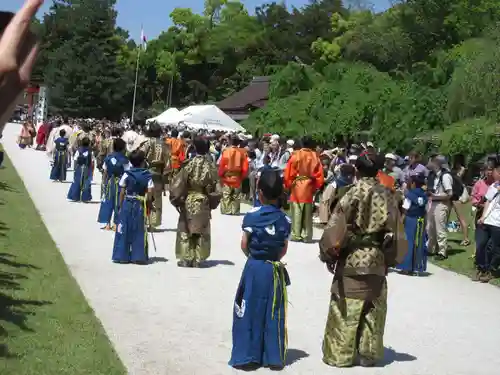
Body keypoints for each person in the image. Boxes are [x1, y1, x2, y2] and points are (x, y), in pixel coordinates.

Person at [319, 152, 407, 368]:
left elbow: (336, 226)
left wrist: (328, 253)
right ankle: (369, 354)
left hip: (352, 258)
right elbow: (397, 232)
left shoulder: (352, 193)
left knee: (345, 306)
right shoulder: (388, 194)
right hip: (376, 258)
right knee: (372, 305)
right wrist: (391, 258)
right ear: (378, 170)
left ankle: (340, 355)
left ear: (357, 170)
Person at [229, 169, 291, 370]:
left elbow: (244, 243)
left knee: (249, 308)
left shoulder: (252, 216)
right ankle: (272, 355)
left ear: (259, 192)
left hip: (255, 267)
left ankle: (248, 354)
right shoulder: (285, 220)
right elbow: (283, 249)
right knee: (273, 310)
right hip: (273, 269)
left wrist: (253, 257)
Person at [169, 138, 220, 268]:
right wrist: (212, 202)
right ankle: (198, 259)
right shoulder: (211, 166)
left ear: (194, 147)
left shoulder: (188, 164)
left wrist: (177, 200)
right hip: (203, 199)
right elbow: (216, 187)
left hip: (189, 200)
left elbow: (178, 184)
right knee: (201, 230)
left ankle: (186, 258)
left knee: (185, 229)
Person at [112, 150, 153, 264]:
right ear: (143, 162)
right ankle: (138, 256)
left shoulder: (127, 174)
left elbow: (121, 191)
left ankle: (122, 255)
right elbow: (149, 194)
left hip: (128, 202)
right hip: (140, 204)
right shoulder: (147, 175)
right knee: (139, 229)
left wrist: (120, 206)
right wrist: (149, 206)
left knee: (124, 228)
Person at [284, 136, 324, 242]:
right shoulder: (315, 157)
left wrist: (288, 184)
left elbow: (289, 172)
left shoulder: (295, 155)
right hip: (309, 184)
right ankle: (307, 235)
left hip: (297, 184)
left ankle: (296, 234)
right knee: (307, 210)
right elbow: (319, 174)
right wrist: (316, 186)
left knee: (296, 208)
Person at [137, 122, 171, 230]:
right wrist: (165, 177)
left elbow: (139, 156)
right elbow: (168, 164)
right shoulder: (164, 145)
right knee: (156, 199)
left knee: (144, 196)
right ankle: (153, 223)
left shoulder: (147, 143)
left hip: (146, 172)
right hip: (158, 174)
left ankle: (143, 220)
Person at [397, 173, 428, 275]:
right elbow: (426, 210)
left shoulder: (409, 194)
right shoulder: (424, 195)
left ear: (413, 183)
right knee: (418, 243)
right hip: (421, 220)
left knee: (408, 243)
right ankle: (417, 267)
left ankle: (406, 267)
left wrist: (400, 221)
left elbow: (405, 209)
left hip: (411, 220)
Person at [97, 138, 129, 231]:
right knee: (119, 202)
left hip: (110, 181)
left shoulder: (108, 157)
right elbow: (127, 172)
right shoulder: (125, 159)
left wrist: (104, 183)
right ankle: (116, 223)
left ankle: (107, 223)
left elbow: (105, 171)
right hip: (120, 182)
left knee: (108, 201)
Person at [426, 155, 453, 260]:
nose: (428, 163)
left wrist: (435, 196)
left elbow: (449, 194)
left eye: (430, 161)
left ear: (436, 163)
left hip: (442, 204)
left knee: (440, 229)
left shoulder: (445, 176)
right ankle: (430, 249)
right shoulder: (433, 175)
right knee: (430, 228)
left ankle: (442, 251)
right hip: (433, 203)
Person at [472, 162, 494, 282]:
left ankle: (488, 269)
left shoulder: (496, 185)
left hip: (494, 218)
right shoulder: (479, 184)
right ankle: (480, 267)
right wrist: (479, 204)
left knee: (491, 245)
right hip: (481, 215)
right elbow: (474, 199)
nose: (489, 172)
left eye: (491, 170)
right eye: (488, 170)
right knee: (480, 243)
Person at [218, 135, 249, 215]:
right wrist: (242, 176)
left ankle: (226, 210)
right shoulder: (243, 152)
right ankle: (235, 210)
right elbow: (245, 167)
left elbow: (222, 165)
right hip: (237, 177)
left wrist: (221, 175)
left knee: (226, 194)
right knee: (236, 195)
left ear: (230, 141)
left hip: (227, 176)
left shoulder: (226, 151)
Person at [67, 137, 93, 202]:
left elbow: (75, 160)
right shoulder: (90, 152)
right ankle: (85, 197)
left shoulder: (79, 150)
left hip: (79, 167)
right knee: (86, 182)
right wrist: (91, 171)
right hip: (87, 168)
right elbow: (92, 162)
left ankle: (75, 196)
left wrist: (74, 169)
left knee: (77, 181)